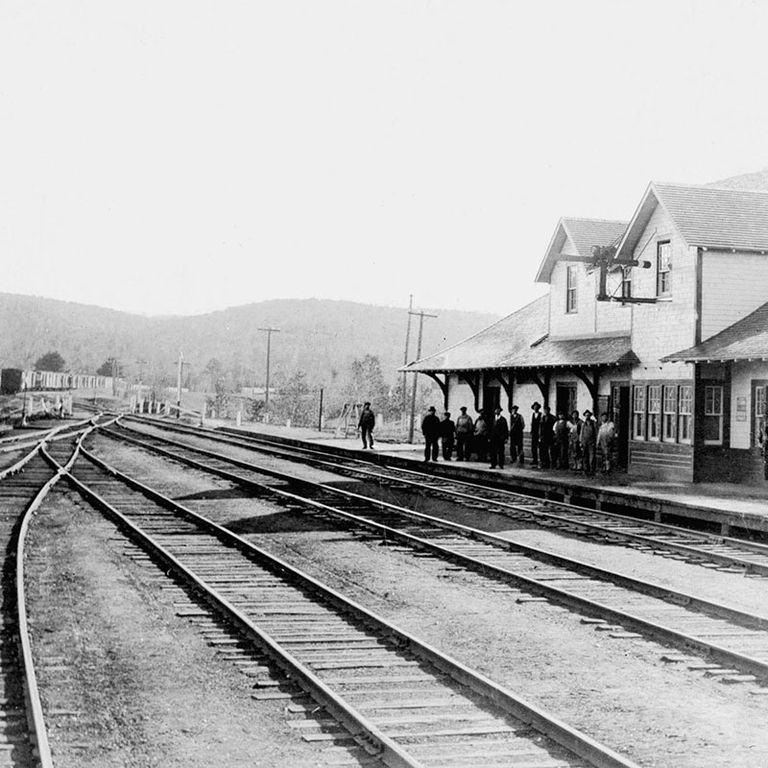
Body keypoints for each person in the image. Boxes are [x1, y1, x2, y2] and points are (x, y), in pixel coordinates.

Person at [580, 409, 597, 476]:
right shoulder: (583, 424)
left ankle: (592, 470)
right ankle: (585, 470)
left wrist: (595, 441)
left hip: (591, 442)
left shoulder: (593, 424)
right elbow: (581, 433)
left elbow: (596, 432)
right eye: (586, 415)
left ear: (590, 416)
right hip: (584, 442)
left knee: (592, 457)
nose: (587, 416)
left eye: (588, 415)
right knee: (585, 456)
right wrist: (581, 442)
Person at [539, 405, 556, 469]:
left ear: (549, 411)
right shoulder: (542, 418)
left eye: (547, 410)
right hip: (543, 436)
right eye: (545, 410)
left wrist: (554, 436)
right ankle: (545, 463)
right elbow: (540, 428)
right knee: (544, 450)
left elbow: (554, 428)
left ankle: (553, 463)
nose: (546, 411)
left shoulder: (553, 418)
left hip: (550, 436)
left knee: (552, 451)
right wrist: (540, 436)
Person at [529, 402, 542, 467]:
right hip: (534, 433)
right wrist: (531, 430)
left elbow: (541, 424)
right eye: (534, 407)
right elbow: (532, 423)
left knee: (540, 447)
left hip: (539, 433)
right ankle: (535, 460)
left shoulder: (541, 415)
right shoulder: (533, 414)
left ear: (538, 408)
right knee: (533, 447)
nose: (535, 408)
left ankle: (541, 460)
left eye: (536, 407)